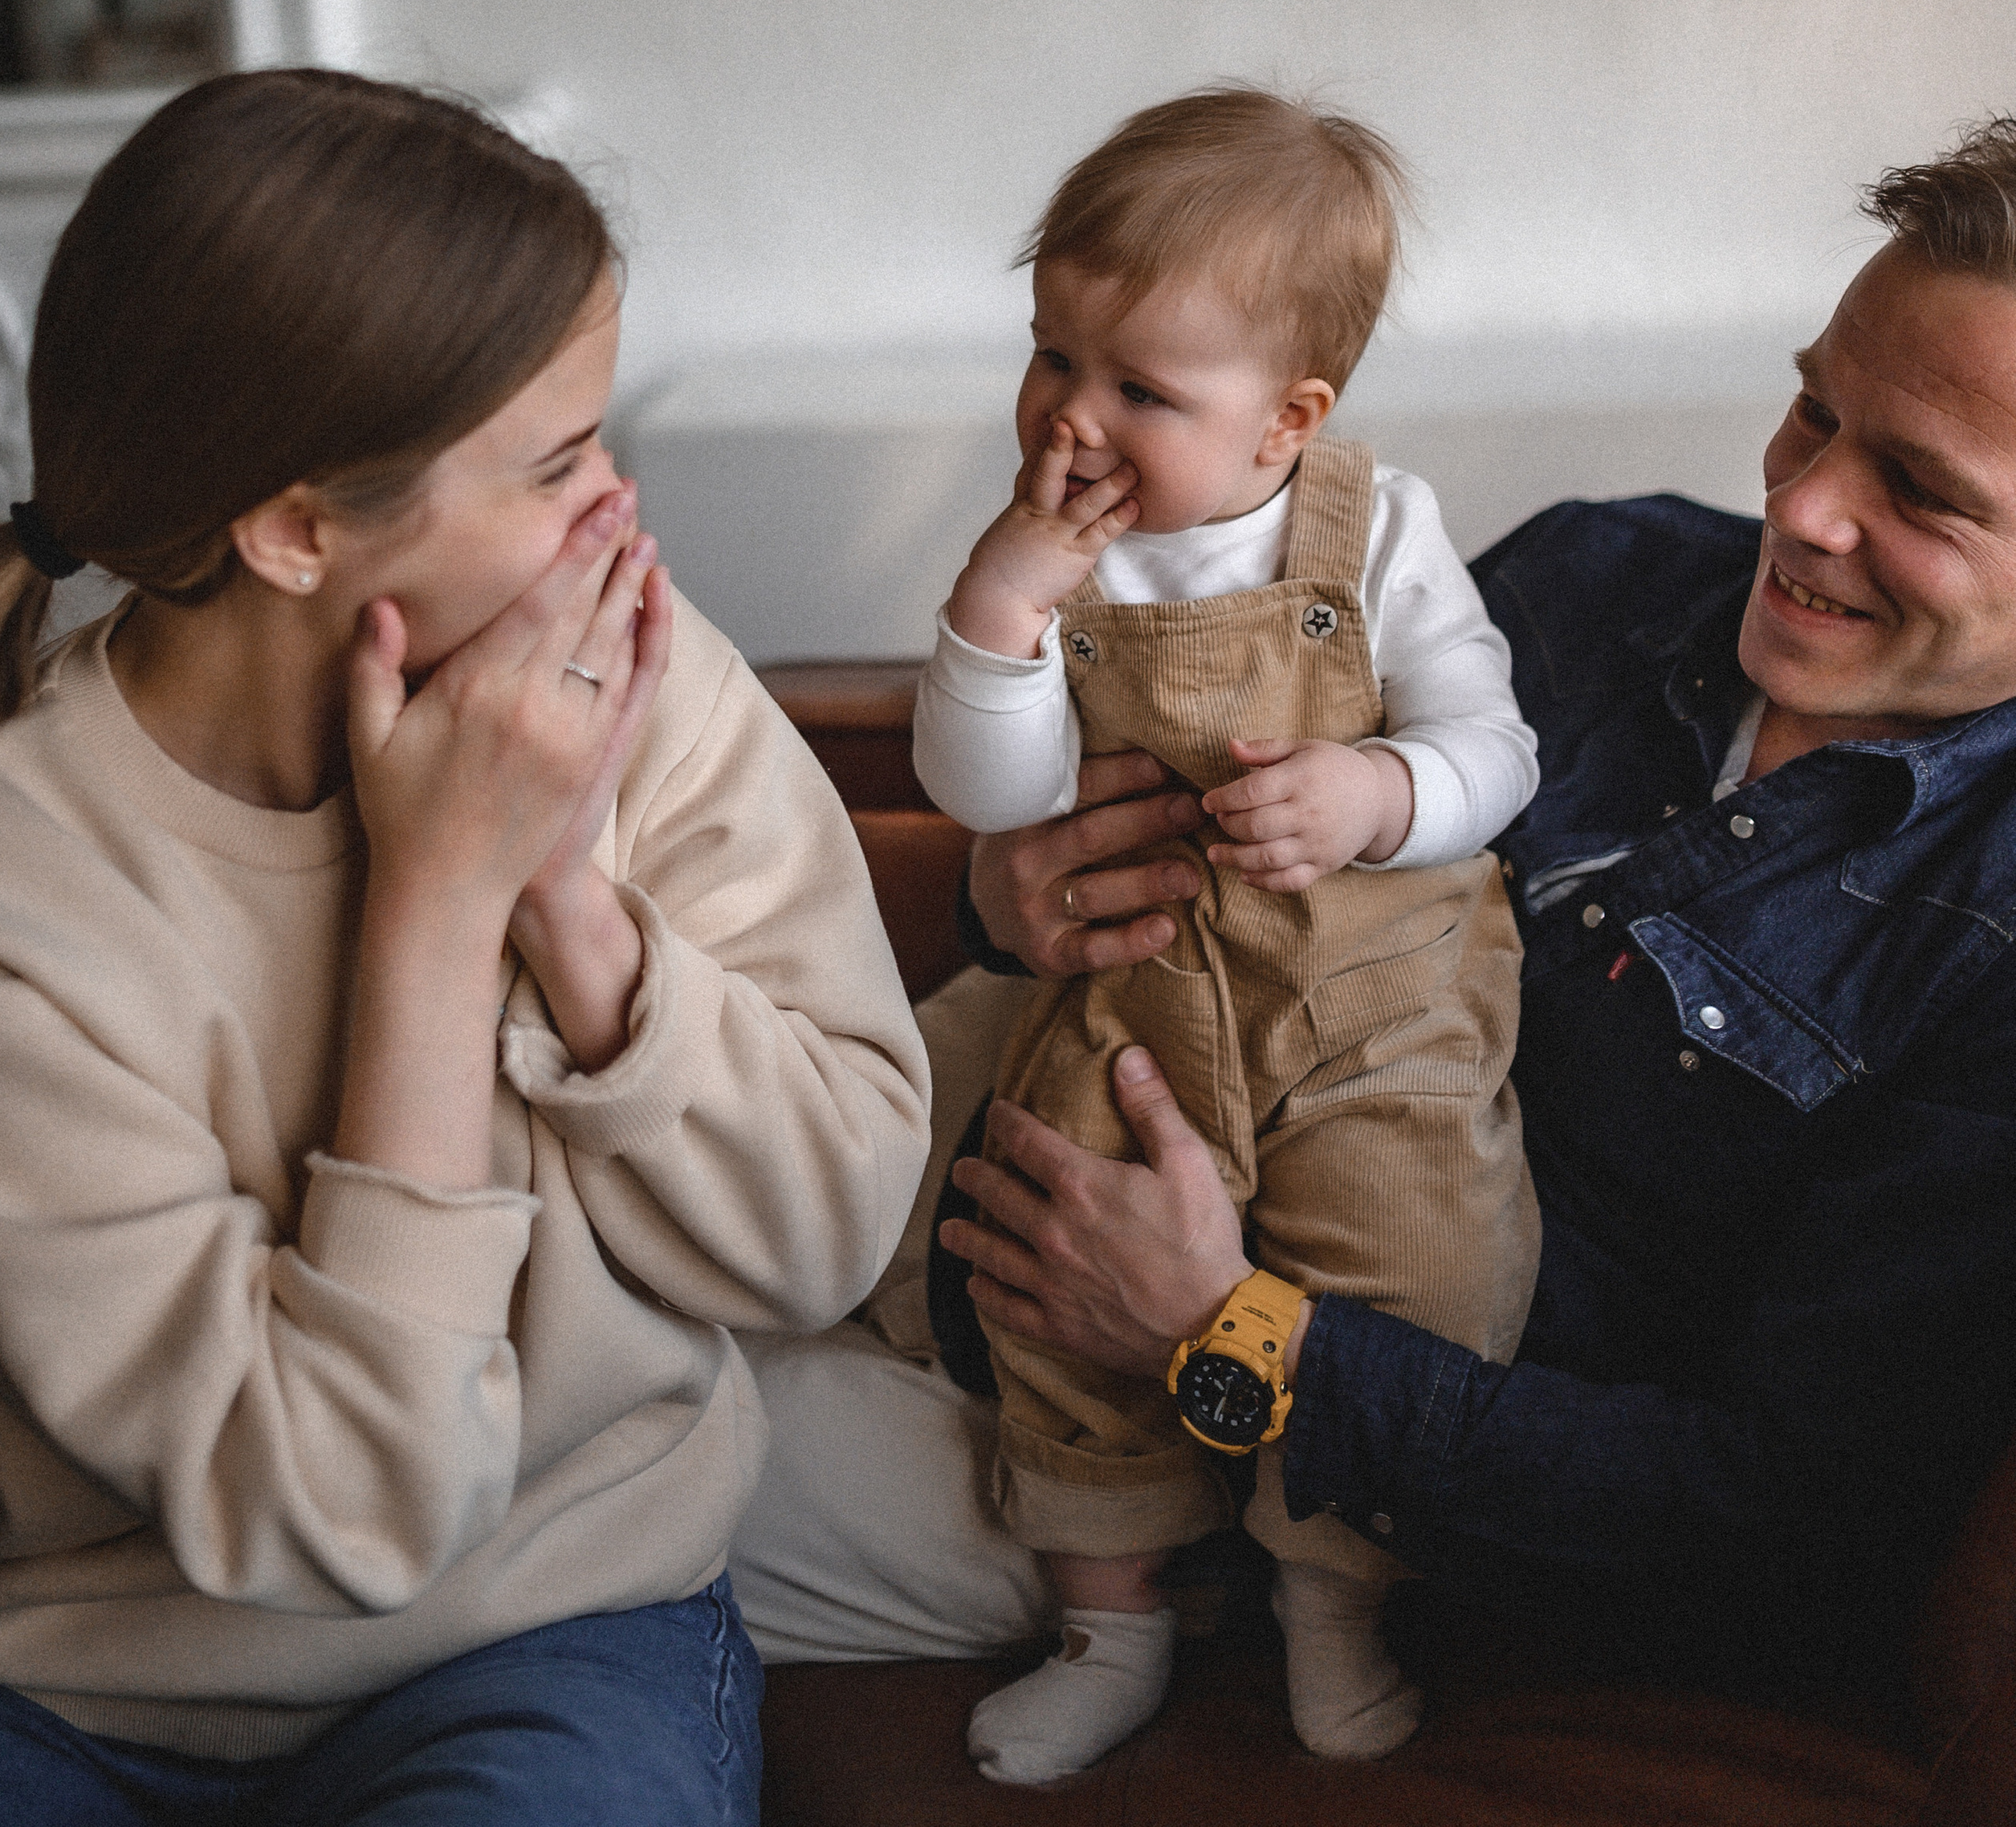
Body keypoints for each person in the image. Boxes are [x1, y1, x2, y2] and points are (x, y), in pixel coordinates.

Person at [731, 116, 2016, 1727]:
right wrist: (1005, 890)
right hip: (963, 1136)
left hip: (1173, 1473)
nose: (1803, 505)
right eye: (1814, 409)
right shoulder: (1599, 575)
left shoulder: (1986, 948)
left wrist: (1223, 1336)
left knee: (543, 1508)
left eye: (1919, 491)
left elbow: (1776, 1520)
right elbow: (1134, 754)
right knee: (561, 1264)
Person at [0, 71, 931, 1826]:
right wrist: (431, 907)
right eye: (556, 462)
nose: (618, 506)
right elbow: (341, 1504)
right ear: (295, 529)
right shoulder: (5, 897)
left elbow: (829, 1233)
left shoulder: (640, 678)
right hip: (67, 1689)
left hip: (555, 1633)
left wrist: (563, 898)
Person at [906, 87, 1540, 1776]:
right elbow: (990, 789)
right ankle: (1108, 1625)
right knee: (1047, 1276)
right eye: (1051, 356)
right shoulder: (1052, 559)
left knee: (1418, 1261)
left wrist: (1374, 790)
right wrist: (999, 605)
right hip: (1137, 1000)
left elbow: (1495, 747)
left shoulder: (1375, 529)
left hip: (1367, 1007)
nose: (1071, 417)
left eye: (1140, 389)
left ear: (1287, 420)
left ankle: (1332, 1601)